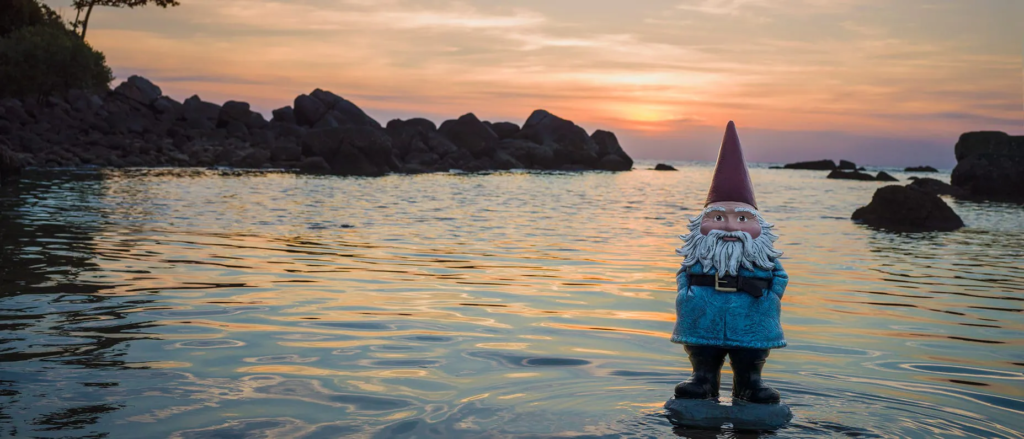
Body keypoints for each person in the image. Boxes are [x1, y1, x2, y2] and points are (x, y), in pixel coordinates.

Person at [671, 121, 789, 404]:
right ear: (701, 224)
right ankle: (702, 379)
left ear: (759, 225)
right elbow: (683, 274)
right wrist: (686, 297)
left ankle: (750, 383)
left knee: (749, 356)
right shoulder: (699, 255)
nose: (730, 227)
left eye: (742, 218)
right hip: (702, 318)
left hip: (752, 316)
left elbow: (780, 277)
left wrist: (770, 297)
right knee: (702, 353)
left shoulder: (762, 258)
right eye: (718, 218)